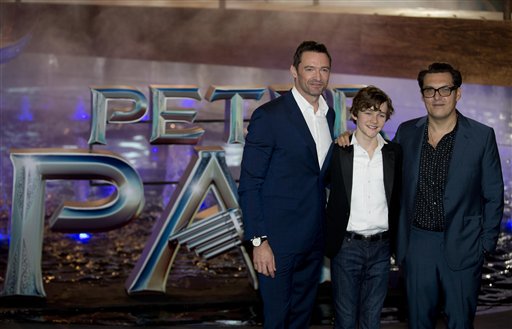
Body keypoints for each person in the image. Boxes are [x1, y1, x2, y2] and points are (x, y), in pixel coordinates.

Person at [393, 62, 504, 328]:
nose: (437, 97)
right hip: (418, 245)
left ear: (458, 93)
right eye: (430, 90)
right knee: (419, 322)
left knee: (460, 322)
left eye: (445, 89)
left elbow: (493, 195)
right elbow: (390, 183)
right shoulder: (406, 133)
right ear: (422, 95)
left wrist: (484, 245)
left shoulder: (481, 136)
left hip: (464, 246)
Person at [238, 40, 335, 329]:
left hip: (314, 240)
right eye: (309, 69)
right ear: (294, 71)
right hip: (277, 244)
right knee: (277, 320)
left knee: (301, 318)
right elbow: (250, 183)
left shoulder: (327, 115)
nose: (317, 76)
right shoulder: (269, 116)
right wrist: (259, 241)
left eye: (324, 69)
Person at [324, 86, 402, 329]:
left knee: (372, 320)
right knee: (345, 320)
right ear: (355, 114)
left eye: (381, 114)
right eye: (368, 112)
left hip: (381, 248)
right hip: (347, 247)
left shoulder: (394, 153)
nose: (374, 119)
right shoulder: (339, 150)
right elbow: (321, 187)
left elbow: (399, 198)